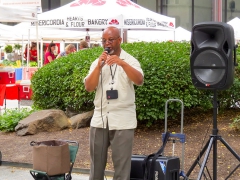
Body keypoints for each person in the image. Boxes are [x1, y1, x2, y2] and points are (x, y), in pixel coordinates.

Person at [84, 26, 144, 180]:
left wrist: (122, 63)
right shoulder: (97, 62)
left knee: (122, 171)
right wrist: (98, 67)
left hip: (123, 121)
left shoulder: (130, 60)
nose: (107, 43)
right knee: (96, 169)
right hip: (100, 119)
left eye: (111, 39)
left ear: (119, 40)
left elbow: (139, 80)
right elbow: (89, 87)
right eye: (104, 40)